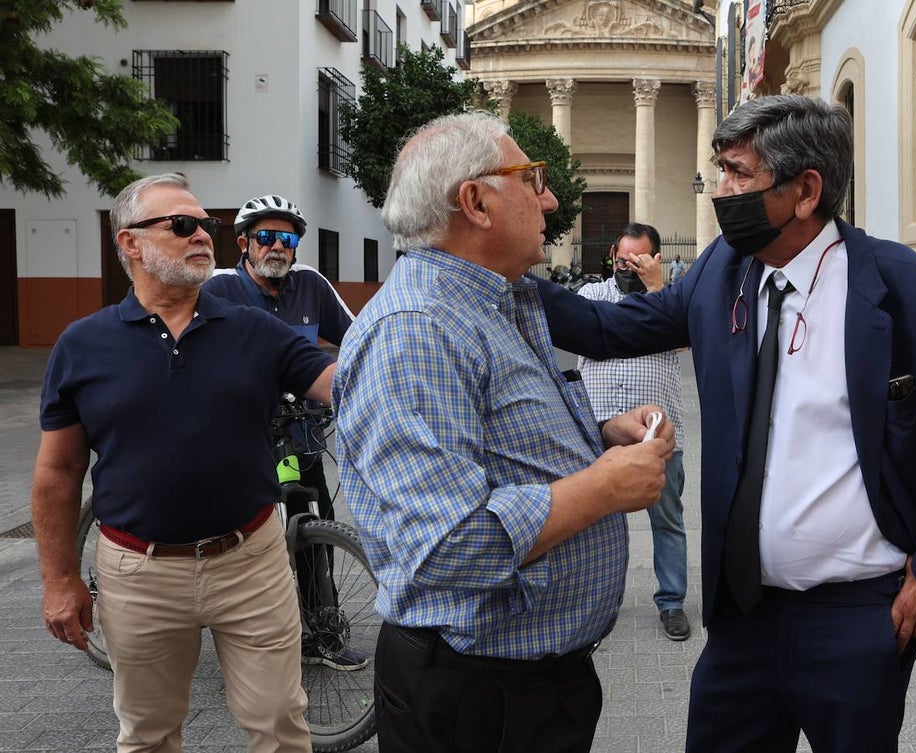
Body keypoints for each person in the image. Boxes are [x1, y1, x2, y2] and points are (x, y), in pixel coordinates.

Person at [535, 94, 916, 752]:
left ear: (805, 192)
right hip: (744, 616)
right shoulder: (722, 271)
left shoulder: (909, 292)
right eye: (720, 170)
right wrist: (506, 272)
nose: (721, 189)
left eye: (738, 173)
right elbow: (611, 326)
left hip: (861, 619)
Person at [333, 111, 675, 753]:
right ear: (476, 202)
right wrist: (603, 489)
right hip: (476, 701)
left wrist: (600, 434)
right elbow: (444, 550)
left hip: (528, 688)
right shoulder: (418, 330)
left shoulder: (499, 300)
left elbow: (492, 437)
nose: (549, 199)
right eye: (532, 179)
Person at [31, 173, 335, 753]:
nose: (203, 236)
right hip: (136, 572)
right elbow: (58, 472)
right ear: (130, 243)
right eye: (182, 225)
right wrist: (60, 578)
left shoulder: (255, 329)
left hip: (251, 560)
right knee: (148, 734)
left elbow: (338, 382)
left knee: (280, 724)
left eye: (207, 226)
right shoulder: (82, 344)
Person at [202, 194, 364, 670]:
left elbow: (355, 338)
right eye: (265, 237)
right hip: (238, 434)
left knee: (310, 515)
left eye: (287, 238)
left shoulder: (310, 284)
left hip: (300, 433)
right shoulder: (217, 289)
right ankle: (231, 629)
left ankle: (321, 630)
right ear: (243, 244)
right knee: (229, 530)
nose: (277, 246)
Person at [577, 223, 691, 641]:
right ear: (612, 256)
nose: (627, 267)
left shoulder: (673, 301)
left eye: (637, 260)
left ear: (656, 259)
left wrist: (657, 289)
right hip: (598, 430)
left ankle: (672, 602)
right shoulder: (591, 296)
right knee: (589, 518)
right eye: (622, 260)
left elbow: (684, 339)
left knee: (668, 520)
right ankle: (588, 603)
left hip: (657, 435)